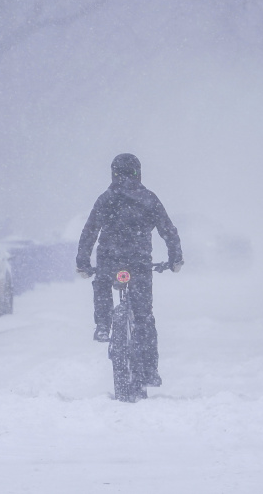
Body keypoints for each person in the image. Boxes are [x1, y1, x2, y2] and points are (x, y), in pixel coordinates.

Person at [76, 153, 183, 387]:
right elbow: (168, 230)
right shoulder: (148, 198)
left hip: (109, 259)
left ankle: (103, 325)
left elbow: (90, 231)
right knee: (144, 316)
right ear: (139, 172)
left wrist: (83, 262)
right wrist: (175, 258)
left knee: (102, 284)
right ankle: (150, 370)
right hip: (139, 261)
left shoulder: (106, 199)